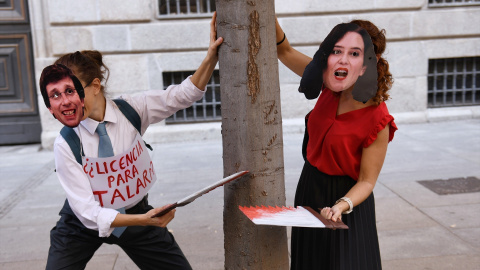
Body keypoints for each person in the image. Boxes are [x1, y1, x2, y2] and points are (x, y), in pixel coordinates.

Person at [39, 12, 223, 270]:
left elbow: (184, 95)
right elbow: (90, 213)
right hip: (82, 224)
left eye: (72, 90)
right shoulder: (66, 142)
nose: (66, 101)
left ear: (94, 86)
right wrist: (145, 221)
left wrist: (211, 57)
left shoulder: (132, 110)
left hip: (136, 212)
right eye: (57, 94)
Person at [276, 18, 397, 270]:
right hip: (310, 188)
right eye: (336, 51)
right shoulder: (329, 83)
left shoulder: (378, 117)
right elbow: (283, 50)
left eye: (354, 53)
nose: (342, 60)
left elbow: (366, 181)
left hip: (348, 201)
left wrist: (342, 205)